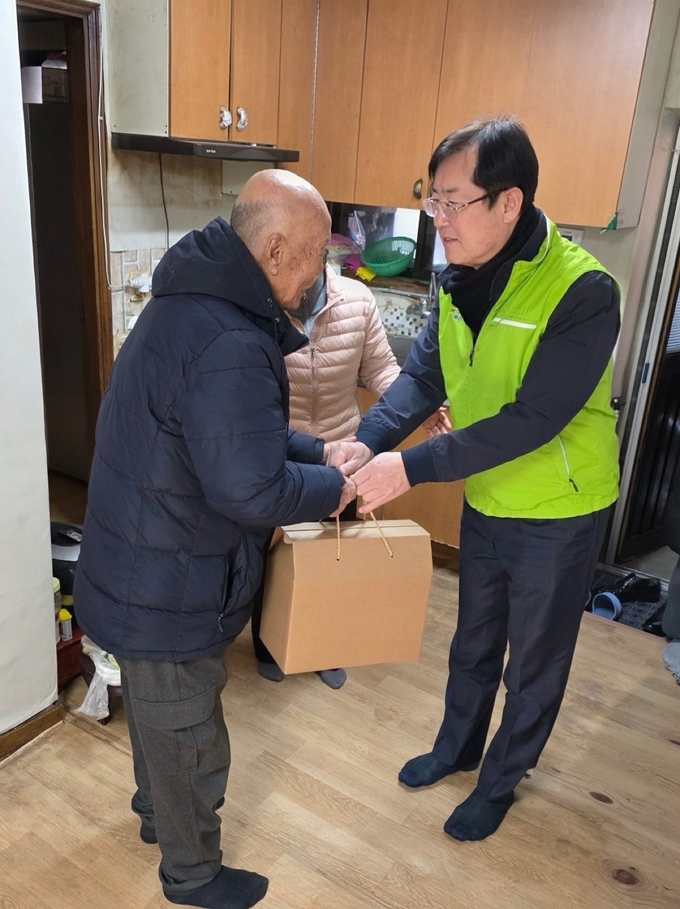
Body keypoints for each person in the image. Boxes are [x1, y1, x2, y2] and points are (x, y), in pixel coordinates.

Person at [73, 170, 357, 909]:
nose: (320, 273)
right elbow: (250, 488)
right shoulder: (229, 335)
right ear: (275, 250)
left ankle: (155, 816)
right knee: (190, 733)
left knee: (155, 714)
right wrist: (336, 488)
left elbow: (229, 435)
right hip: (168, 578)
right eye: (316, 253)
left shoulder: (190, 303)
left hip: (139, 557)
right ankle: (192, 873)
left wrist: (317, 453)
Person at [332, 116, 621, 841]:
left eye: (453, 201)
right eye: (433, 200)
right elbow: (423, 376)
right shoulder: (455, 278)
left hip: (558, 509)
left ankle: (500, 780)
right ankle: (457, 748)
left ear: (509, 202)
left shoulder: (584, 290)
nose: (439, 217)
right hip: (489, 493)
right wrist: (367, 443)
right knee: (473, 641)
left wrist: (409, 467)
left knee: (534, 663)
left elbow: (535, 418)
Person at [250, 260, 450, 688]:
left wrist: (420, 405)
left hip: (345, 452)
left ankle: (325, 645)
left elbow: (381, 369)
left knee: (333, 552)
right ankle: (268, 642)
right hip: (283, 450)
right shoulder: (263, 301)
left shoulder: (357, 300)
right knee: (272, 553)